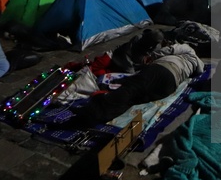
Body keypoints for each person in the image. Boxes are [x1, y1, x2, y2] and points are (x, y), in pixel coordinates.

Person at [65, 42, 204, 127]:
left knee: (130, 90)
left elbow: (170, 50)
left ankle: (89, 115)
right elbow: (199, 71)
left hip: (162, 70)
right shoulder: (199, 63)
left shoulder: (189, 50)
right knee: (134, 98)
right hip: (170, 86)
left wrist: (152, 57)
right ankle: (102, 115)